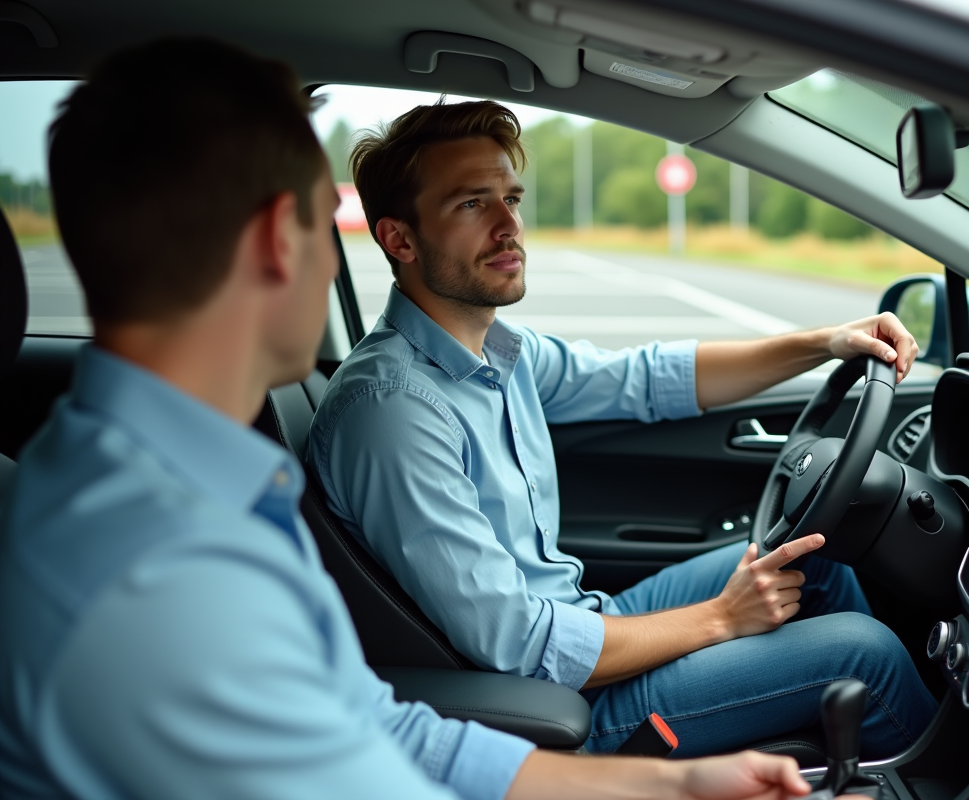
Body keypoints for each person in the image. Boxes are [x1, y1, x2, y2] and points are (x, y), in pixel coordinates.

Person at [0, 38, 830, 800]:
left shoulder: (194, 490)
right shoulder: (158, 575)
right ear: (276, 246)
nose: (334, 256)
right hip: (544, 687)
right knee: (863, 657)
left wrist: (677, 789)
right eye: (320, 222)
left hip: (549, 663)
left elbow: (390, 730)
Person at [308, 100, 939, 759]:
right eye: (472, 204)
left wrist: (827, 342)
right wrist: (722, 619)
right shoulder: (392, 410)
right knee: (865, 658)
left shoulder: (498, 353)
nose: (508, 227)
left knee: (817, 561)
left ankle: (862, 755)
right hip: (549, 709)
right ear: (399, 239)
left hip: (585, 622)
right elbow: (521, 648)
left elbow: (647, 379)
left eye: (511, 199)